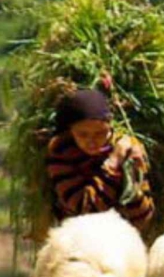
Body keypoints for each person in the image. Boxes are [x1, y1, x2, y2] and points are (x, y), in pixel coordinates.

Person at [45, 87, 155, 232]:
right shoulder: (61, 151)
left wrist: (130, 177)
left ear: (109, 126)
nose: (91, 142)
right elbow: (85, 210)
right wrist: (113, 163)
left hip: (124, 235)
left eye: (99, 133)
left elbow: (143, 216)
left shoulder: (128, 149)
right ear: (70, 130)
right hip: (79, 235)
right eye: (83, 135)